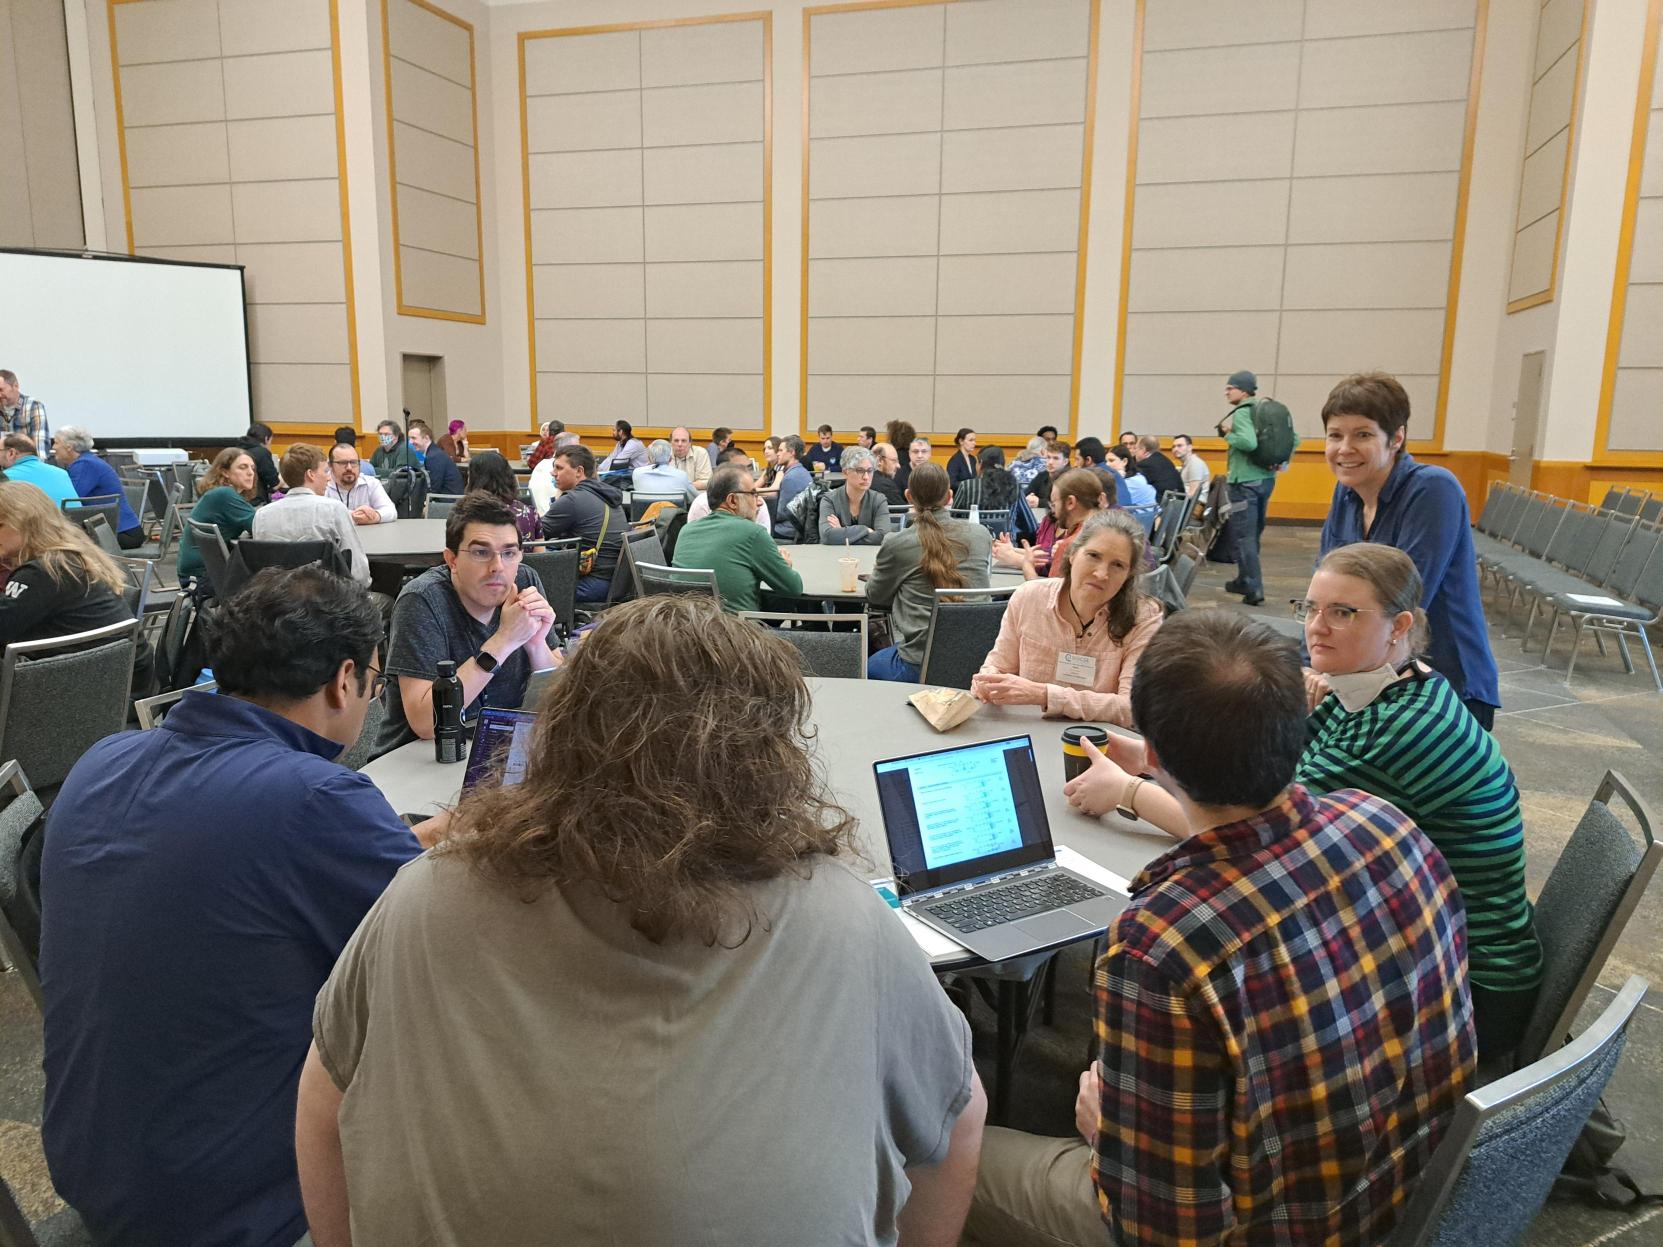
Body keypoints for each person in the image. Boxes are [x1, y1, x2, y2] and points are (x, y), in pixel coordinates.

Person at [297, 595, 985, 1246]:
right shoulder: (845, 914)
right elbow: (959, 1117)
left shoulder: (422, 895)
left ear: (561, 732)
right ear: (768, 755)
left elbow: (324, 1102)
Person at [968, 610, 1474, 1247]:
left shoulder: (1159, 944)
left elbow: (1166, 1227)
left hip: (1277, 1229)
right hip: (1408, 1190)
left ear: (1152, 755)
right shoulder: (1386, 825)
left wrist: (1108, 1136)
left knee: (940, 1152)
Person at [41, 567, 439, 1247]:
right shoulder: (315, 800)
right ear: (345, 680)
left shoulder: (103, 758)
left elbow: (235, 874)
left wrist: (396, 841)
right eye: (373, 684)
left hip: (95, 1168)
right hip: (240, 1211)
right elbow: (448, 952)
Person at [1319, 371, 1501, 727]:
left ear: (1396, 438)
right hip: (1373, 676)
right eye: (1335, 435)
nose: (1344, 449)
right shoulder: (1346, 494)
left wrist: (1324, 669)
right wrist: (1308, 662)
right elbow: (1324, 594)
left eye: (1363, 435)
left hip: (1443, 684)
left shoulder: (1433, 490)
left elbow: (1403, 605)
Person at [378, 492, 559, 755]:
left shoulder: (526, 582)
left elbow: (558, 696)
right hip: (422, 757)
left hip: (501, 752)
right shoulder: (422, 600)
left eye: (509, 553)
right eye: (481, 552)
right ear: (452, 560)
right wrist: (504, 640)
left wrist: (535, 644)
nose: (497, 566)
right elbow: (425, 722)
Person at [973, 509, 1162, 724]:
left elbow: (1132, 709)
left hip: (1099, 743)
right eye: (1093, 556)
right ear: (1072, 554)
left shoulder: (1144, 617)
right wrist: (988, 680)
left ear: (1128, 574)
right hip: (1030, 734)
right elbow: (999, 666)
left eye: (1117, 565)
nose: (1101, 574)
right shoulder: (1029, 598)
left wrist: (1045, 695)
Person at [0, 481, 151, 690]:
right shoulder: (68, 557)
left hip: (92, 693)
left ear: (27, 523)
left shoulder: (44, 572)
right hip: (123, 680)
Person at [865, 463, 990, 681]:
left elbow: (876, 596)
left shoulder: (897, 543)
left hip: (919, 665)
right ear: (949, 496)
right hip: (977, 663)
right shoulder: (980, 535)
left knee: (871, 664)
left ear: (908, 496)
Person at [673, 464, 803, 612]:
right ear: (733, 500)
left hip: (686, 628)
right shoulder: (753, 533)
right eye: (753, 494)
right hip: (737, 631)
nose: (759, 501)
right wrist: (785, 565)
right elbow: (794, 588)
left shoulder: (686, 531)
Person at [253, 444, 371, 586]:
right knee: (386, 601)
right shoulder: (334, 510)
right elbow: (359, 573)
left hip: (278, 603)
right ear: (310, 474)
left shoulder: (261, 516)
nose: (329, 478)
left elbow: (262, 571)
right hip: (326, 602)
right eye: (326, 471)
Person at [1216, 368, 1280, 606]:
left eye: (1230, 388)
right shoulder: (1267, 410)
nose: (1226, 392)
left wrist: (1227, 435)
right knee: (1254, 532)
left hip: (1244, 482)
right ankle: (1243, 579)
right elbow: (1293, 440)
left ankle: (1254, 586)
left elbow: (1247, 442)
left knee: (1244, 536)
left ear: (1242, 390)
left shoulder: (1243, 412)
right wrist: (1279, 463)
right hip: (1266, 480)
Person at [540, 443, 626, 601]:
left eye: (559, 468)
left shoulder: (572, 500)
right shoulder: (606, 494)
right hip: (615, 583)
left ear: (579, 471)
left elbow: (536, 533)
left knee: (528, 588)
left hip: (591, 584)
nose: (553, 473)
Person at [996, 467, 1103, 580]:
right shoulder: (1110, 532)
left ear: (1070, 502)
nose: (1053, 511)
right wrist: (1013, 551)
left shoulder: (1070, 545)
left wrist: (1026, 565)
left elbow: (1051, 595)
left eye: (1054, 504)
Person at [50, 426, 146, 548]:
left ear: (69, 447)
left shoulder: (85, 465)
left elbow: (71, 500)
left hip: (122, 534)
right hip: (117, 530)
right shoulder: (86, 461)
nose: (53, 447)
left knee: (59, 542)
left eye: (56, 443)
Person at [177, 446, 258, 586]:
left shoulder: (220, 493)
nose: (250, 473)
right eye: (243, 467)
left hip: (196, 574)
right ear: (225, 472)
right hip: (204, 577)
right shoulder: (225, 495)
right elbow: (258, 526)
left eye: (252, 468)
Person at [687, 446, 774, 530]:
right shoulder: (702, 504)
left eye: (749, 468)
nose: (747, 473)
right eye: (740, 469)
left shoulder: (758, 502)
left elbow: (763, 539)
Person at [818, 445, 889, 545]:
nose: (866, 477)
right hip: (836, 557)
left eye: (870, 471)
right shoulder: (829, 499)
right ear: (845, 472)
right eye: (860, 470)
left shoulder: (879, 500)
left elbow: (883, 537)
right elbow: (827, 536)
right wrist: (865, 529)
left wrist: (842, 533)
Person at [467, 450, 539, 539]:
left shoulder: (466, 516)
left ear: (474, 480)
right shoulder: (530, 514)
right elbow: (540, 552)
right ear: (509, 476)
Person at [324, 441, 397, 525]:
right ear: (330, 465)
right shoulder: (323, 485)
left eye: (353, 462)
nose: (349, 468)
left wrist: (375, 516)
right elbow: (321, 516)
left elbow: (391, 511)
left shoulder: (371, 483)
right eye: (343, 463)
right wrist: (354, 516)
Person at [0, 434, 78, 508]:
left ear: (11, 453)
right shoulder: (62, 473)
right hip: (75, 521)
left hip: (42, 521)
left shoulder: (5, 478)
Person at [770, 434, 812, 539]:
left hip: (788, 530)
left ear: (792, 452)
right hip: (800, 527)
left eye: (780, 450)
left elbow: (782, 513)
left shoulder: (790, 478)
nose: (777, 453)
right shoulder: (803, 471)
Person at [632, 439, 696, 505]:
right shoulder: (682, 476)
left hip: (643, 515)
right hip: (673, 514)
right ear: (670, 458)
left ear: (649, 458)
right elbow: (695, 498)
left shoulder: (637, 473)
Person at [408, 420, 465, 495]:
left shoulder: (433, 457)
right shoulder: (434, 453)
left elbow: (434, 488)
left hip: (447, 502)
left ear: (426, 438)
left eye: (413, 438)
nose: (410, 442)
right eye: (410, 438)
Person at [0, 368, 49, 453]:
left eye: (1, 390)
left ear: (15, 386)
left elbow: (40, 447)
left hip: (26, 463)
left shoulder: (34, 406)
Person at [1073, 436, 1128, 507]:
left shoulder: (1089, 477)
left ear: (1088, 460)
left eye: (1077, 459)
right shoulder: (1115, 472)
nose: (1075, 464)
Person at [236, 422, 280, 505]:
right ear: (266, 439)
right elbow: (274, 483)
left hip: (238, 501)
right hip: (255, 502)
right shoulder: (262, 452)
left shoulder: (235, 450)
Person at [1131, 434, 1185, 500]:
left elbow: (1135, 486)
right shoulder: (1166, 460)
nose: (1134, 452)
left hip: (1162, 506)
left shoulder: (1145, 465)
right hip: (1178, 503)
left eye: (1136, 448)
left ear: (1144, 450)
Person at [1104, 443, 1156, 511]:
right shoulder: (1136, 477)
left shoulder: (1133, 482)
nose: (1107, 464)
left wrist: (1117, 478)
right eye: (1106, 461)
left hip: (1139, 519)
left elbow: (1109, 503)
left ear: (1124, 461)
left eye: (1111, 460)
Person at [1023, 439, 1070, 511]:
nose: (1050, 462)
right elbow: (1025, 495)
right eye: (1048, 457)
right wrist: (1029, 499)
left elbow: (1065, 503)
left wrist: (1039, 502)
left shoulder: (1072, 478)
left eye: (1055, 458)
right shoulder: (1042, 475)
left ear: (1065, 461)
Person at [1172, 432, 1210, 497]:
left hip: (1195, 504)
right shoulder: (1188, 463)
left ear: (1190, 447)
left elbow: (1193, 494)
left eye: (1179, 446)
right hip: (1187, 501)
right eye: (1173, 447)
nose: (1175, 449)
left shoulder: (1195, 463)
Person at [870, 441, 906, 507]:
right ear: (879, 460)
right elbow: (904, 511)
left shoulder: (865, 479)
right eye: (894, 460)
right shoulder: (885, 485)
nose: (898, 466)